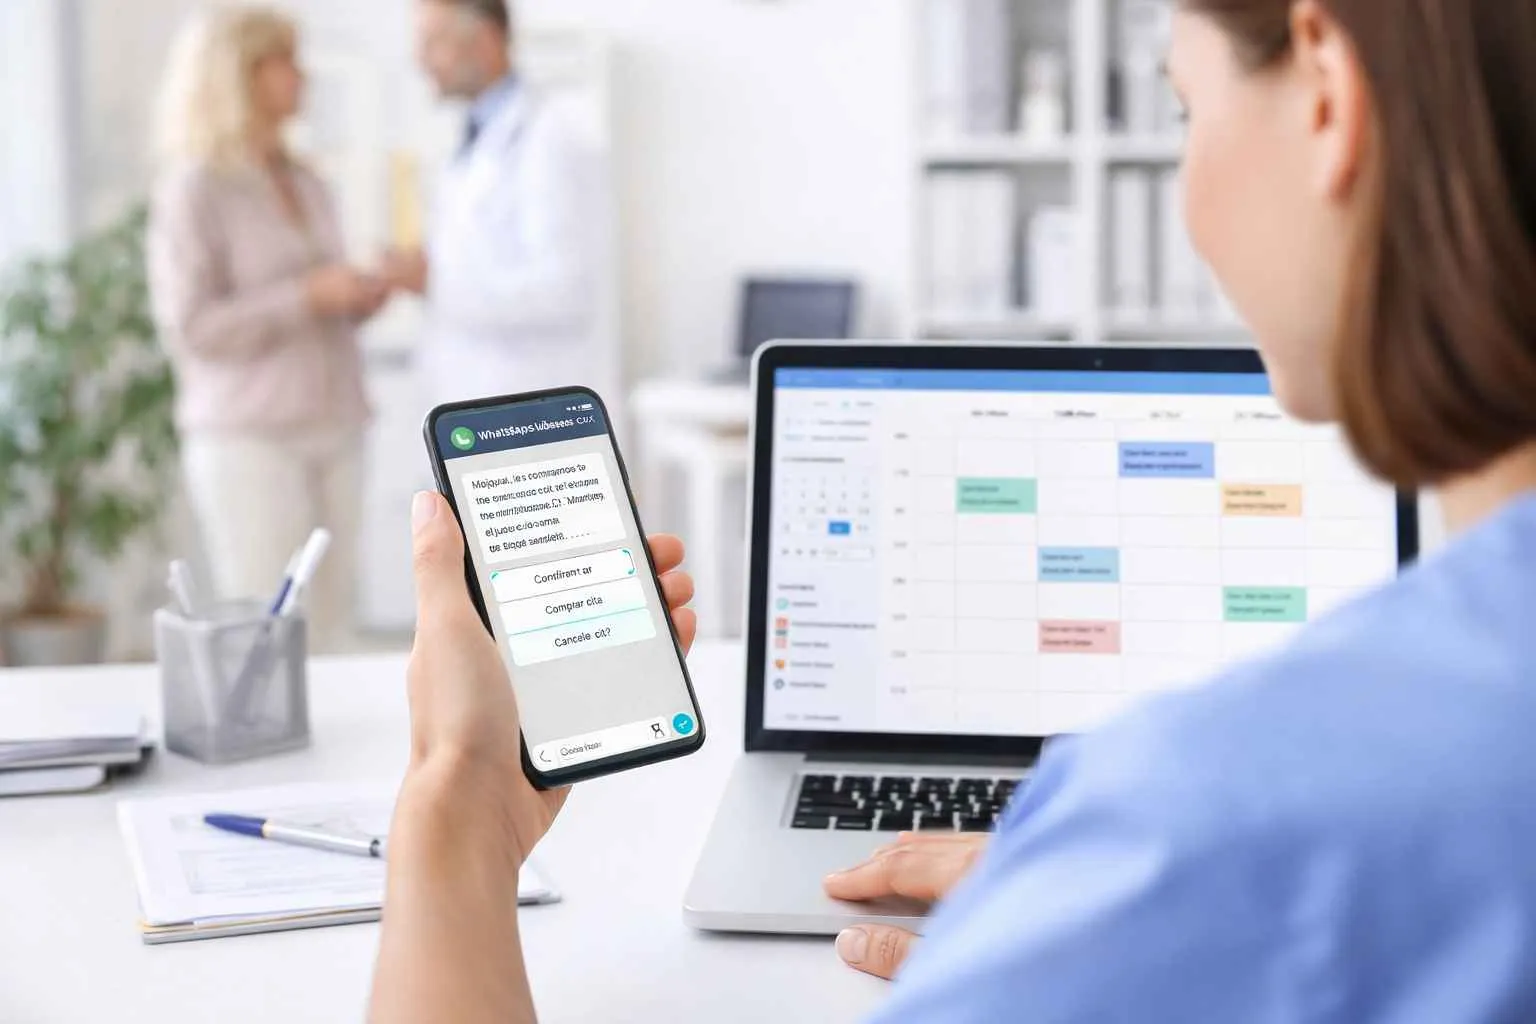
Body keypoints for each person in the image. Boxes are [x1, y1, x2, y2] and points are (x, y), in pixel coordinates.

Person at [370, 0, 1536, 1020]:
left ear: (1327, 90)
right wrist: (1089, 904)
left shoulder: (1204, 824)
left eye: (1186, 109)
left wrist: (460, 811)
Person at [147, 7, 386, 653]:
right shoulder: (195, 189)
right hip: (250, 436)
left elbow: (319, 295)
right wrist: (306, 295)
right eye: (285, 61)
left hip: (337, 423)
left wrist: (357, 294)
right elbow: (191, 327)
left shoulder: (306, 179)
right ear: (240, 75)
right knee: (267, 626)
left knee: (334, 623)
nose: (302, 75)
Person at [384, 0, 618, 417]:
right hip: (478, 399)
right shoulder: (474, 138)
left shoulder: (551, 139)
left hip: (528, 403)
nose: (421, 60)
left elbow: (562, 291)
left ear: (486, 40)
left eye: (434, 42)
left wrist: (433, 282)